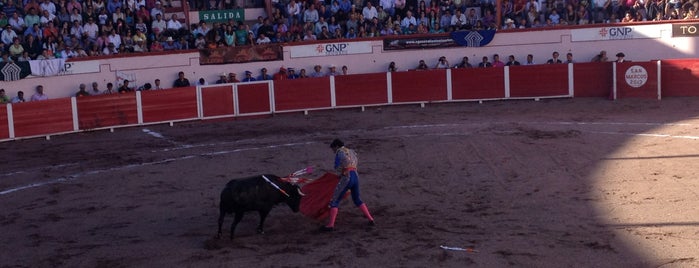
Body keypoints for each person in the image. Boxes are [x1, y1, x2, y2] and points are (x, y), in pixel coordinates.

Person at [321, 139, 375, 231]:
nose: (333, 151)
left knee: (335, 200)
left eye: (333, 148)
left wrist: (341, 174)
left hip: (347, 178)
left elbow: (338, 167)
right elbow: (354, 164)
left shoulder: (339, 153)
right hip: (355, 176)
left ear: (337, 146)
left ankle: (330, 225)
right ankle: (371, 219)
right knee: (357, 199)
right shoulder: (352, 151)